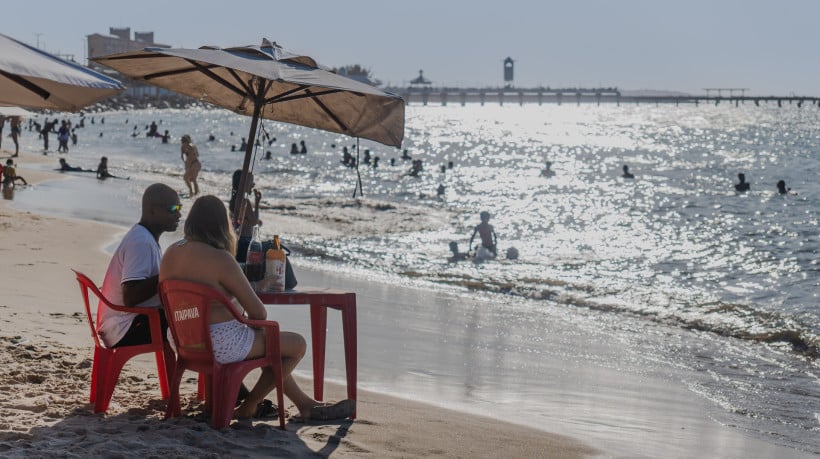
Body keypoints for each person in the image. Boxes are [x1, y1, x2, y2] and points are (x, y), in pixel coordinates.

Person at [159, 195, 355, 421]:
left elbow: (201, 290)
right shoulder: (221, 259)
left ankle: (305, 404)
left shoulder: (172, 252)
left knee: (271, 343)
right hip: (220, 344)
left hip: (182, 339)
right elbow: (259, 313)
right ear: (223, 225)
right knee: (295, 344)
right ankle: (249, 406)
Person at [96, 183, 181, 349]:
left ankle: (174, 374)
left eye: (180, 207)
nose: (179, 214)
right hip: (123, 328)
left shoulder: (146, 238)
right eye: (173, 208)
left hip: (123, 321)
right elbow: (131, 297)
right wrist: (169, 273)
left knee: (187, 316)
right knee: (190, 321)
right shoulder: (141, 242)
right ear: (153, 210)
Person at [229, 169, 262, 262]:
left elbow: (244, 220)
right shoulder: (245, 202)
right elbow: (253, 222)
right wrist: (257, 202)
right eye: (251, 181)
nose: (253, 184)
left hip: (237, 241)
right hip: (245, 242)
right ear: (243, 183)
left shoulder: (235, 200)